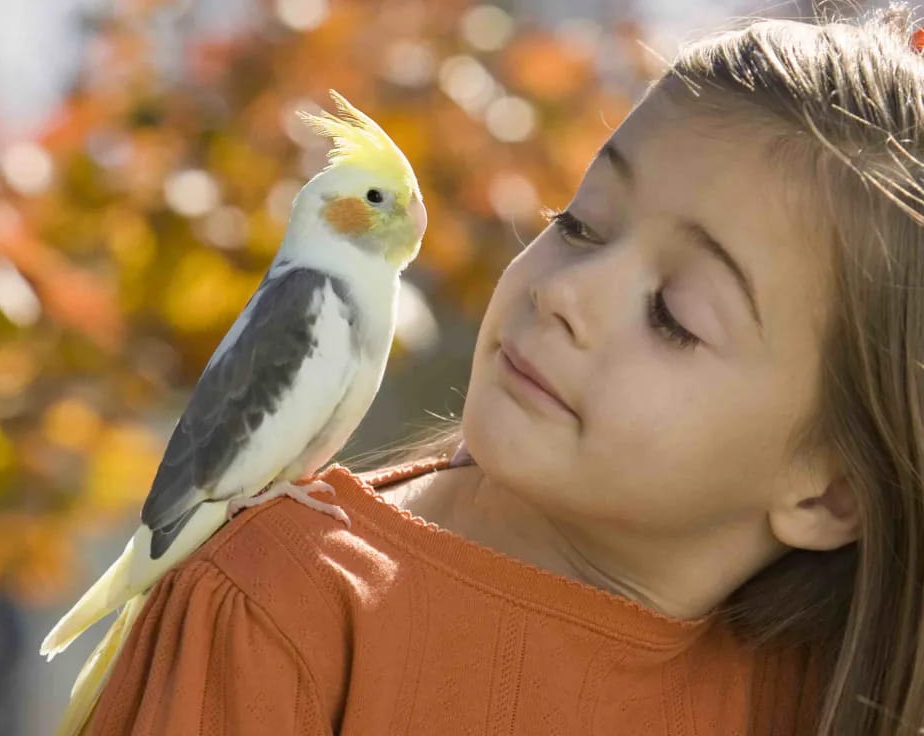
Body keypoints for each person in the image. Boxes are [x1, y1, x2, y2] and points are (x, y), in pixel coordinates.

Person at [83, 4, 924, 734]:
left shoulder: (819, 701)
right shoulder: (283, 608)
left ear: (830, 491)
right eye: (581, 223)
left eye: (673, 315)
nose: (569, 293)